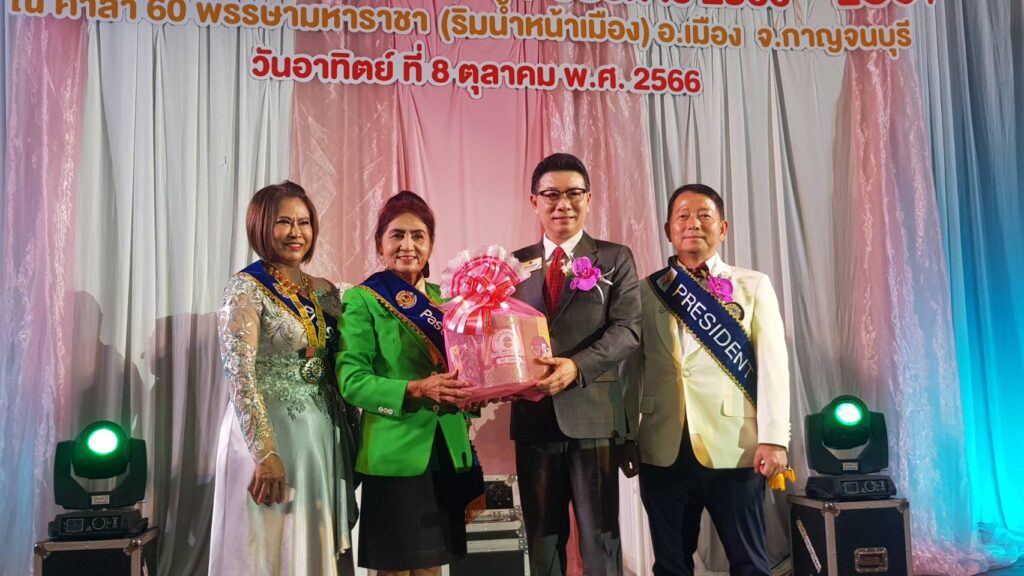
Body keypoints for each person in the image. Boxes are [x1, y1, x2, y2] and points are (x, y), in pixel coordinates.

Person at [621, 184, 791, 576]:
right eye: (682, 216)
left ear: (723, 227)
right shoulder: (647, 291)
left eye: (704, 215)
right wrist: (628, 435)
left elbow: (773, 367)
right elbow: (632, 371)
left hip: (736, 445)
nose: (692, 224)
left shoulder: (753, 285)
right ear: (668, 229)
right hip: (663, 447)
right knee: (671, 564)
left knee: (749, 562)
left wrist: (774, 438)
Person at [210, 181, 358, 576]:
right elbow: (239, 375)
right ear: (261, 226)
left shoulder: (325, 291)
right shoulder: (246, 288)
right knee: (269, 542)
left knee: (314, 537)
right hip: (270, 434)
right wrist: (264, 453)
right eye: (284, 222)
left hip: (320, 435)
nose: (296, 232)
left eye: (304, 222)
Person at [511, 153, 641, 576]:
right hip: (533, 417)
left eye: (573, 193)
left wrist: (576, 366)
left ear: (589, 199)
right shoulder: (512, 265)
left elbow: (627, 330)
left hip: (593, 417)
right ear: (534, 201)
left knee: (600, 540)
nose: (562, 204)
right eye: (551, 195)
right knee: (542, 539)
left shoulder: (614, 258)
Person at [337, 191, 478, 576]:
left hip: (446, 450)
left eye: (418, 236)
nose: (408, 245)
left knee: (432, 569)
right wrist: (416, 389)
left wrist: (477, 391)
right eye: (397, 235)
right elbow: (352, 381)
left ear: (431, 244)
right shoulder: (363, 299)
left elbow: (466, 369)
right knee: (394, 570)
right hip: (394, 452)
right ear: (379, 243)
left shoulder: (448, 300)